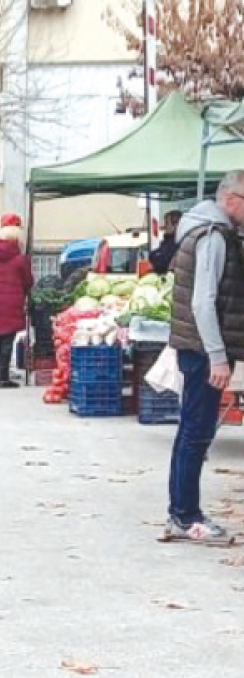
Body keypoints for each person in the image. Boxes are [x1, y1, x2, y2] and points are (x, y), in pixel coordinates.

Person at [163, 172, 244, 544]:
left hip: (196, 347)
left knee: (190, 432)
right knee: (196, 434)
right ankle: (185, 516)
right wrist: (218, 357)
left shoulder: (205, 229)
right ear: (231, 199)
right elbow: (202, 301)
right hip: (201, 350)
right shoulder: (212, 236)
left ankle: (181, 512)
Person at [0, 222, 34, 389]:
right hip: (11, 303)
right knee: (7, 340)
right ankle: (3, 378)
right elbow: (28, 281)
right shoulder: (20, 260)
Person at [149, 210, 183, 276]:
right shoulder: (167, 241)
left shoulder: (177, 243)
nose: (165, 227)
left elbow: (161, 263)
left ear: (175, 225)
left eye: (167, 223)